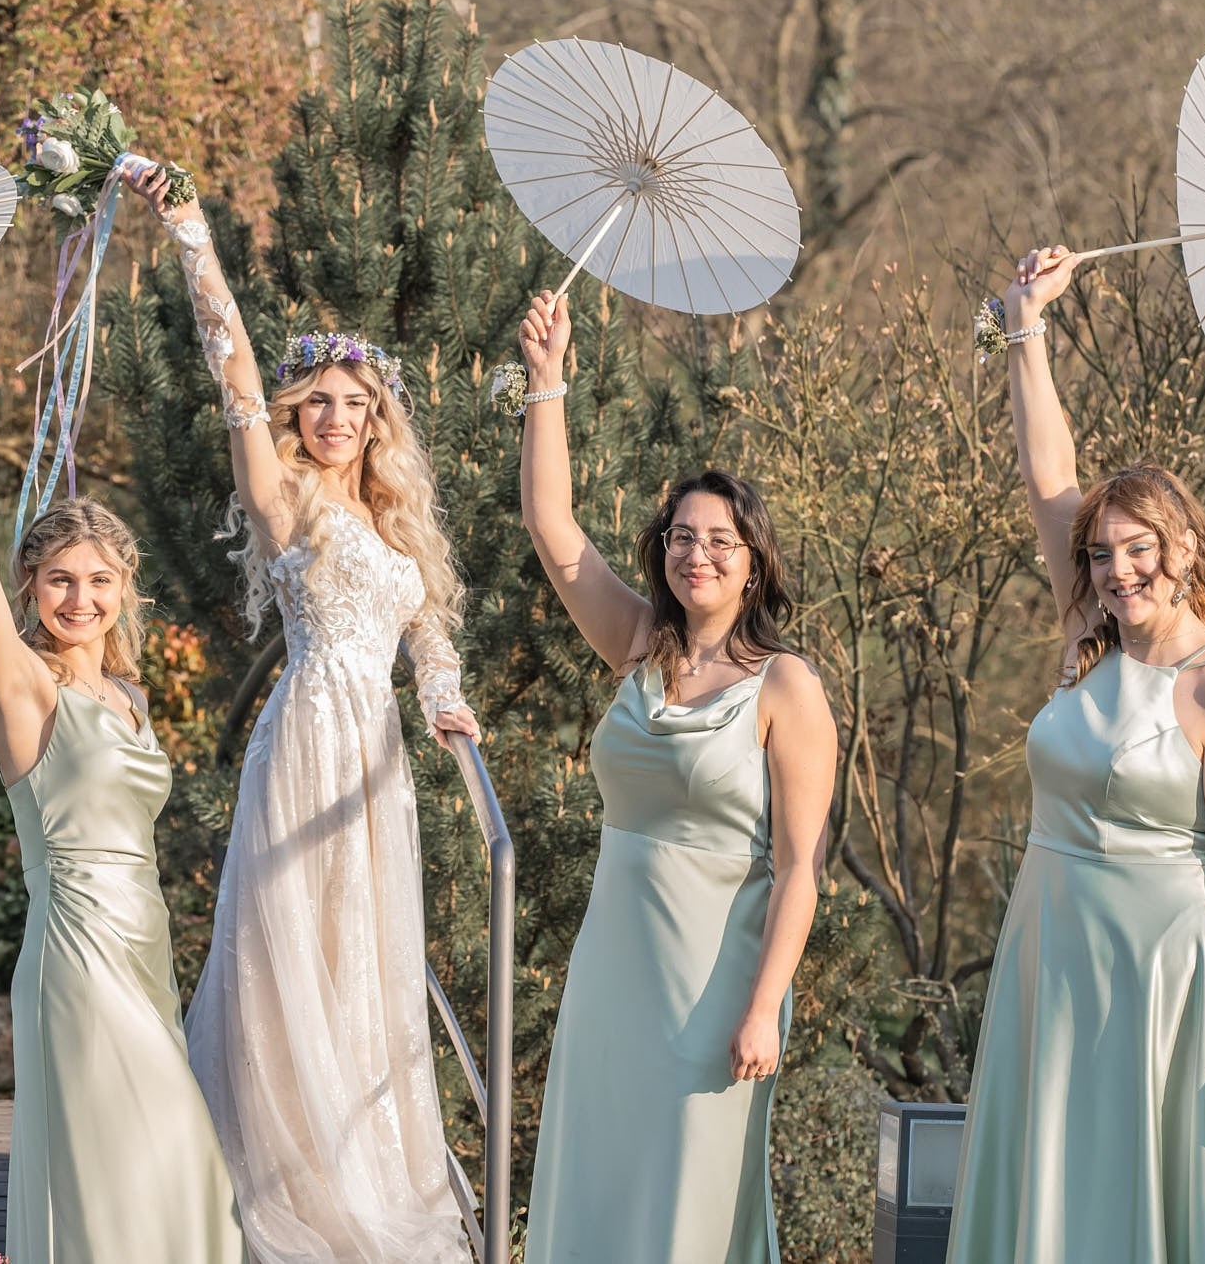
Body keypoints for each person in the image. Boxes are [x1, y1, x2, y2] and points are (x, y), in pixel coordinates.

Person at [118, 160, 479, 1262]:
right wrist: (194, 242)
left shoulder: (392, 518)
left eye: (354, 405)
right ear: (295, 413)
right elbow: (231, 375)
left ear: (378, 421)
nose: (333, 418)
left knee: (360, 956)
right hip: (307, 736)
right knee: (285, 955)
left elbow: (422, 627)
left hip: (376, 751)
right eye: (316, 401)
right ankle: (279, 1170)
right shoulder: (283, 500)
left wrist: (443, 695)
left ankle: (362, 1163)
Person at [944, 245, 1205, 1262]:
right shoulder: (1082, 629)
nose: (1115, 568)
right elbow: (1047, 471)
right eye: (1100, 553)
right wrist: (1023, 324)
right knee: (1050, 1194)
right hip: (1049, 957)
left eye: (1137, 548)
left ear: (1181, 548)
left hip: (1163, 987)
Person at [511, 291, 838, 1262]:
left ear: (752, 565)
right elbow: (549, 522)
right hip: (613, 976)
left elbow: (799, 870)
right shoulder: (636, 645)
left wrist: (761, 1006)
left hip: (717, 990)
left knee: (688, 1204)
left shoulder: (786, 688)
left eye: (720, 541)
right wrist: (545, 382)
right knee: (600, 1186)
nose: (697, 553)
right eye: (683, 537)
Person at [0, 385, 244, 1264]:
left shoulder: (131, 697)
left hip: (146, 953)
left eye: (99, 579)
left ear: (124, 588)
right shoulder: (28, 689)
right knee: (123, 1169)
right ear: (34, 582)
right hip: (77, 957)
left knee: (180, 1171)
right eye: (60, 578)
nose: (80, 597)